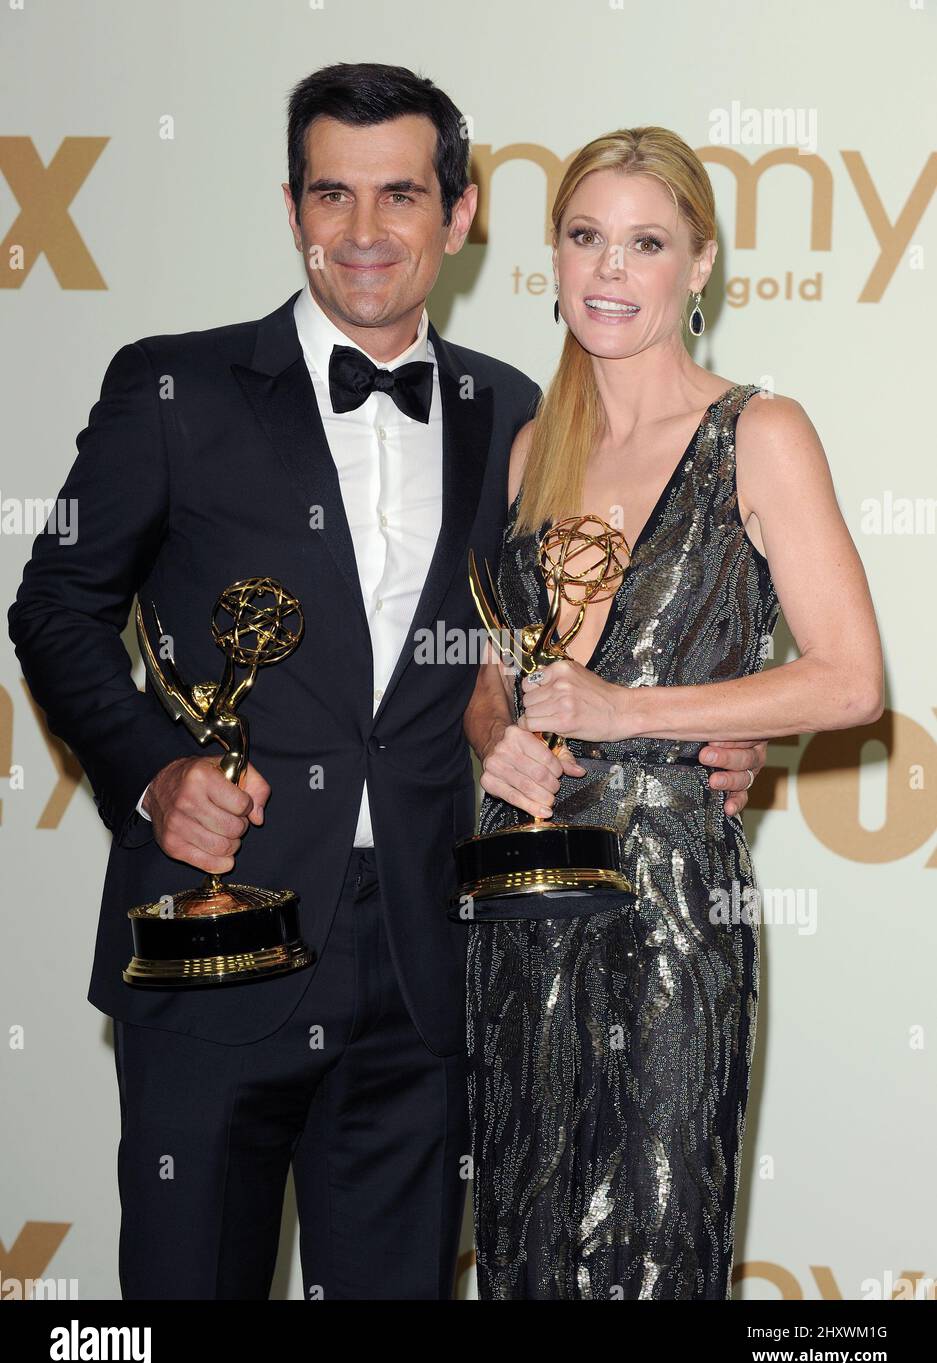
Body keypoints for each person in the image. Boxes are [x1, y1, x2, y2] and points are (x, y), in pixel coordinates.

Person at [8, 69, 765, 1301]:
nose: (364, 232)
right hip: (219, 940)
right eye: (333, 194)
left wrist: (711, 740)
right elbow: (55, 606)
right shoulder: (172, 388)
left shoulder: (515, 416)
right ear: (293, 207)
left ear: (459, 217)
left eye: (401, 195)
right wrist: (152, 772)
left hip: (432, 967)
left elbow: (545, 655)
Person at [462, 126, 884, 1301]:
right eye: (586, 237)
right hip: (523, 897)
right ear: (552, 255)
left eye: (644, 243)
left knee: (657, 1238)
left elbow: (848, 679)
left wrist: (626, 709)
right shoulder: (535, 448)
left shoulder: (758, 432)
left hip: (670, 901)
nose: (608, 269)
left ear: (698, 265)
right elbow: (502, 677)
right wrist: (496, 740)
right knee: (524, 1235)